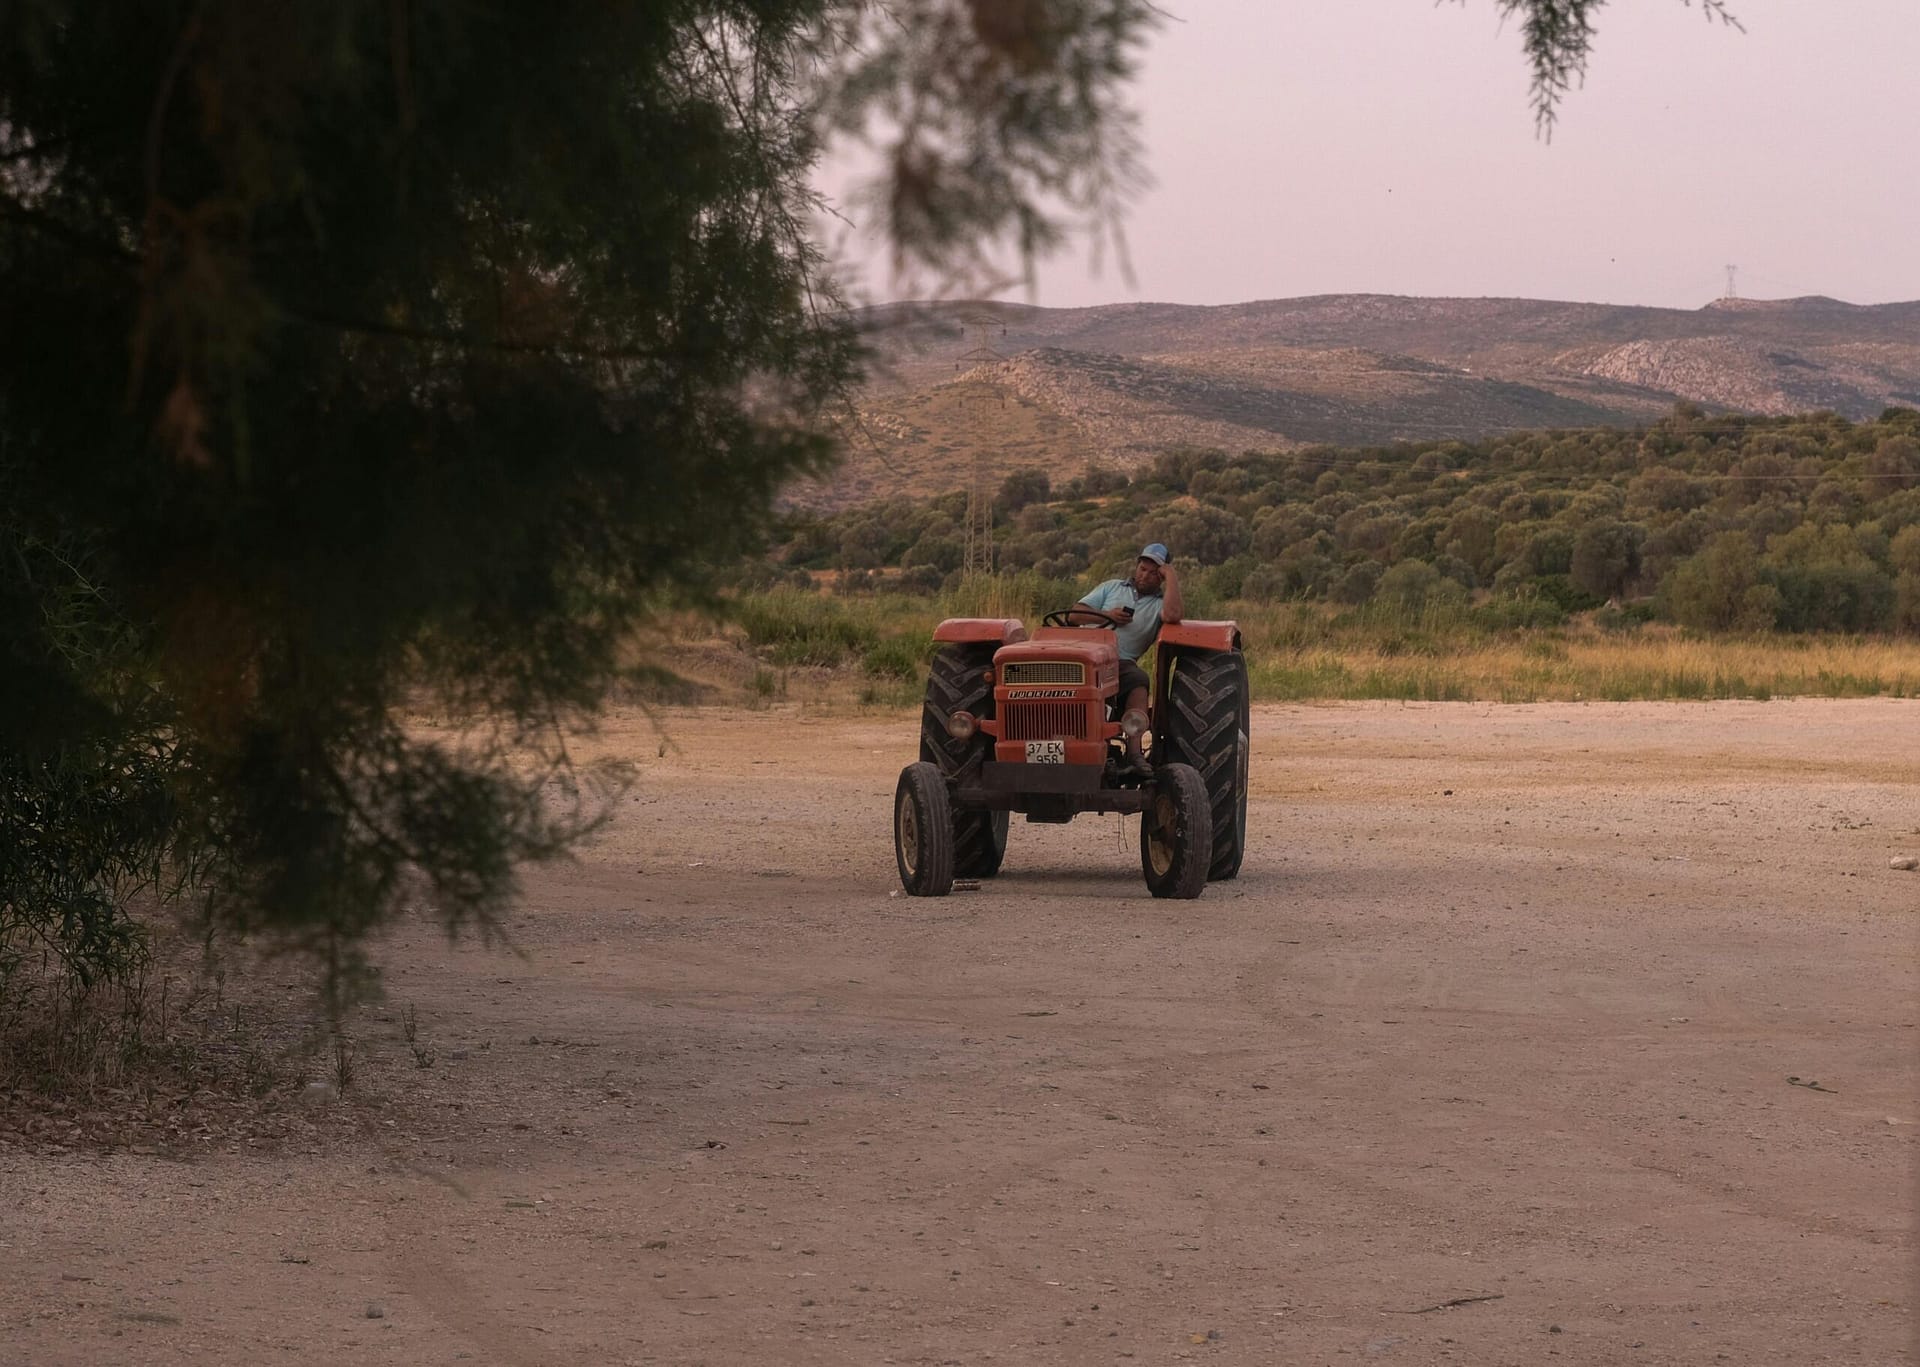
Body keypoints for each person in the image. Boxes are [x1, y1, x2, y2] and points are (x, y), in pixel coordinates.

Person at [1064, 543, 1182, 776]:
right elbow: (1074, 614)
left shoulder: (1159, 604)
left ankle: (1134, 753)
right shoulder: (1111, 588)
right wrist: (1107, 616)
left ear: (1160, 576)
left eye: (1152, 572)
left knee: (1138, 679)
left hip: (1120, 661)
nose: (1144, 575)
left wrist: (1172, 576)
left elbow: (1173, 615)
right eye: (1142, 568)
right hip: (1083, 652)